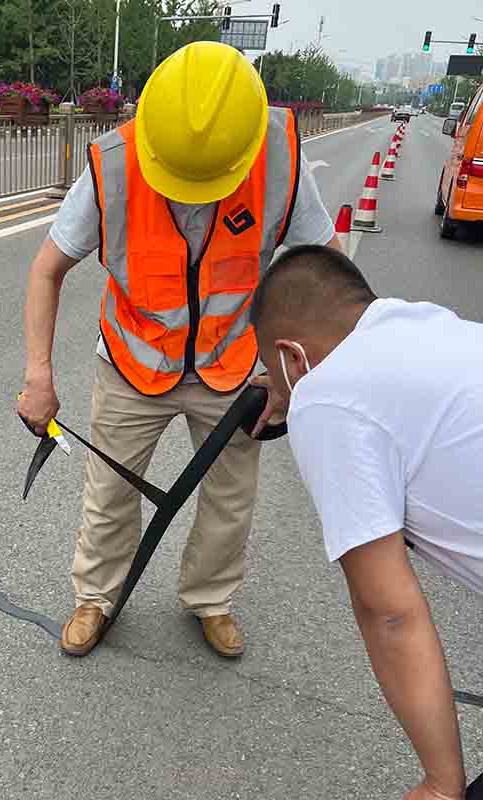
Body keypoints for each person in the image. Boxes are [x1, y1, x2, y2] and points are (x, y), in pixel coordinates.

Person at [18, 41, 340, 658]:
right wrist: (39, 376)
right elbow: (46, 270)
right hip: (132, 359)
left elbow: (324, 273)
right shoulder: (113, 164)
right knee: (109, 492)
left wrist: (290, 376)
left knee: (229, 496)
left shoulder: (278, 156)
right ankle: (96, 598)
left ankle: (210, 599)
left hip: (236, 364)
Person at [250, 244, 483, 800]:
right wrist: (289, 389)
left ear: (291, 356)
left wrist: (441, 782)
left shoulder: (328, 400)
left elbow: (390, 612)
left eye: (272, 370)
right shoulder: (425, 327)